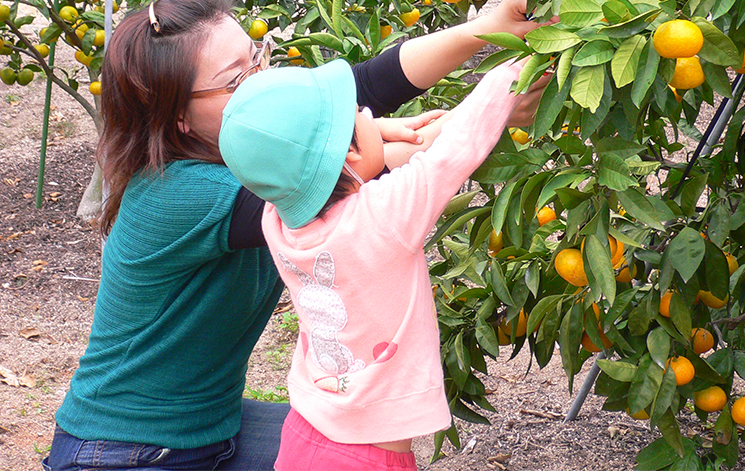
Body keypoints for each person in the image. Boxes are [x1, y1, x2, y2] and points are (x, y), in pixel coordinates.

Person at [43, 0, 549, 471]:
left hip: (214, 427)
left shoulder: (261, 153)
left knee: (344, 448)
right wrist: (490, 108)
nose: (261, 80)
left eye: (257, 57)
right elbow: (349, 183)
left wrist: (483, 30)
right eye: (237, 80)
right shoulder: (173, 194)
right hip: (125, 449)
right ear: (178, 116)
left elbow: (362, 90)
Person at [218, 53, 535, 471]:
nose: (369, 112)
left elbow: (339, 169)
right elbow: (453, 153)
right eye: (360, 112)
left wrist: (370, 135)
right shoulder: (382, 217)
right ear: (348, 153)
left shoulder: (276, 221)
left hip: (305, 435)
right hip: (363, 458)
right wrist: (513, 73)